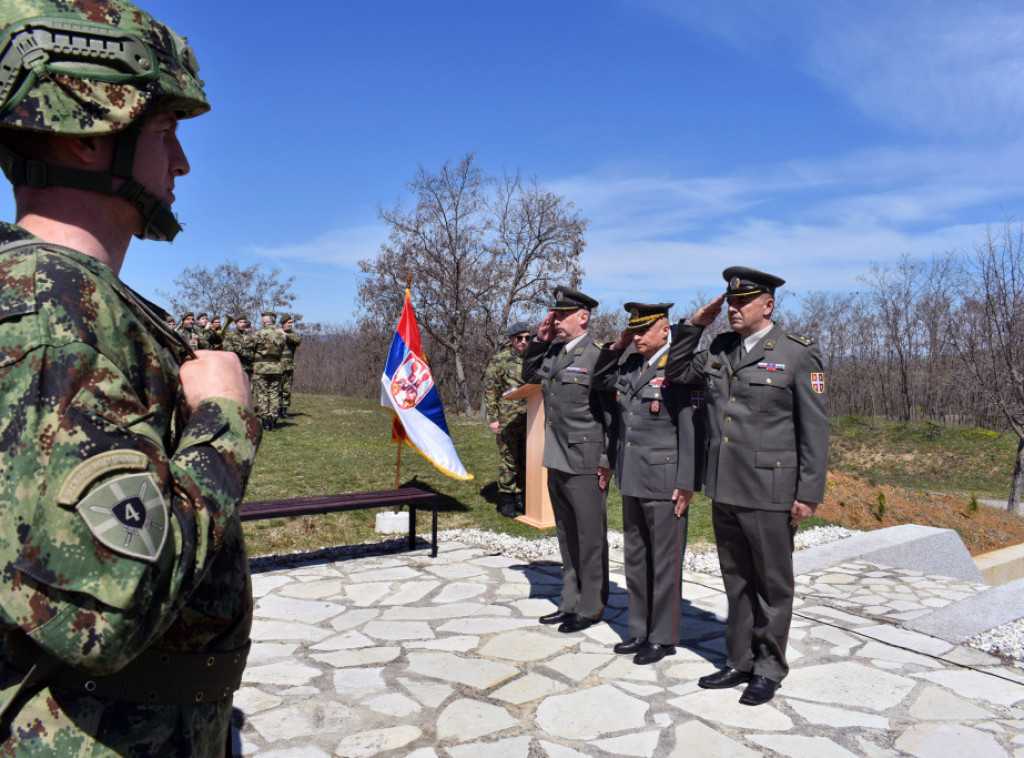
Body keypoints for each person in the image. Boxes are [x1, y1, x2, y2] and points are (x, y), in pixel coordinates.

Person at [0, 1, 262, 753]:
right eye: (165, 132)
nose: (181, 163)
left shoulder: (68, 300)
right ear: (89, 137)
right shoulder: (51, 314)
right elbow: (113, 604)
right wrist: (224, 420)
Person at [666, 267, 829, 705]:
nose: (733, 309)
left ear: (767, 305)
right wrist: (695, 326)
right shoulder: (720, 347)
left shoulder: (796, 355)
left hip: (770, 488)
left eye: (742, 303)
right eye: (730, 302)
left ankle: (769, 667)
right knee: (736, 580)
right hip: (725, 485)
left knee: (772, 585)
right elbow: (678, 371)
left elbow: (814, 428)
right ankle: (738, 660)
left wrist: (809, 492)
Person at [594, 303, 704, 665]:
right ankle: (639, 629)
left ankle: (663, 636)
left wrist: (687, 481)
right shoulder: (629, 365)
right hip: (632, 477)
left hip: (665, 480)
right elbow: (599, 380)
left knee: (665, 563)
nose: (637, 337)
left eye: (643, 331)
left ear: (664, 329)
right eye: (633, 331)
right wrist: (618, 345)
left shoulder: (678, 367)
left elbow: (689, 426)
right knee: (636, 559)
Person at [521, 286, 610, 634]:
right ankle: (570, 600)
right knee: (566, 535)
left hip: (586, 460)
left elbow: (609, 413)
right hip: (556, 456)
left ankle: (591, 605)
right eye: (554, 314)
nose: (555, 320)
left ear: (583, 317)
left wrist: (606, 458)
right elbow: (529, 377)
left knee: (589, 536)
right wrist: (540, 342)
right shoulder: (555, 353)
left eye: (562, 315)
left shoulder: (598, 355)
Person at [483, 322, 531, 517]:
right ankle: (506, 498)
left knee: (526, 459)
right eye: (520, 338)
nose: (524, 342)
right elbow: (490, 391)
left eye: (528, 338)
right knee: (509, 460)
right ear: (512, 339)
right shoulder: (501, 360)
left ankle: (522, 495)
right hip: (508, 419)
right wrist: (493, 419)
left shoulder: (534, 359)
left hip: (530, 419)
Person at [251, 311, 287, 431]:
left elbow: (249, 348)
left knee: (262, 394)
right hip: (276, 367)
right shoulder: (281, 335)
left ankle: (265, 422)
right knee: (274, 394)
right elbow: (282, 349)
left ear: (264, 322)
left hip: (261, 368)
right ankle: (274, 421)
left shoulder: (258, 334)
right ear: (274, 322)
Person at [278, 314, 302, 419]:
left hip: (289, 366)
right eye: (289, 323)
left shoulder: (292, 334)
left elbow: (298, 341)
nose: (291, 324)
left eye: (292, 323)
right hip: (278, 367)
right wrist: (281, 334)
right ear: (283, 323)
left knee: (286, 390)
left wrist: (285, 334)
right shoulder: (276, 334)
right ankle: (277, 411)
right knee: (278, 389)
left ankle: (284, 411)